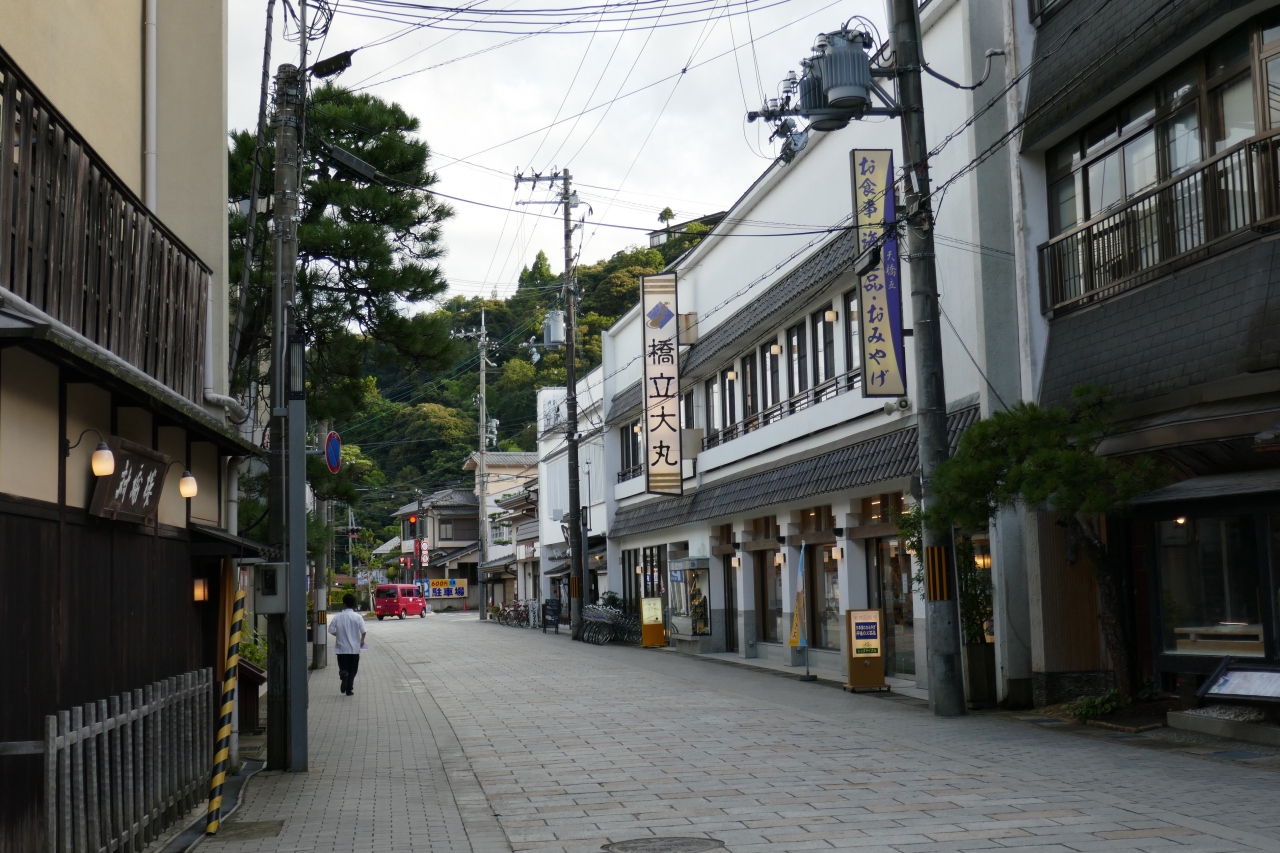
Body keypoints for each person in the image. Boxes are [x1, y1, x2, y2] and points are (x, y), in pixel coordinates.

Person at [328, 593, 367, 696]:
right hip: (354, 649)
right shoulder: (358, 617)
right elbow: (363, 631)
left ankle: (343, 674)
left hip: (341, 649)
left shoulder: (337, 617)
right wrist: (362, 640)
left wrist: (338, 634)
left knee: (343, 667)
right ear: (353, 604)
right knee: (353, 670)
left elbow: (330, 630)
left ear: (344, 604)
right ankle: (349, 690)